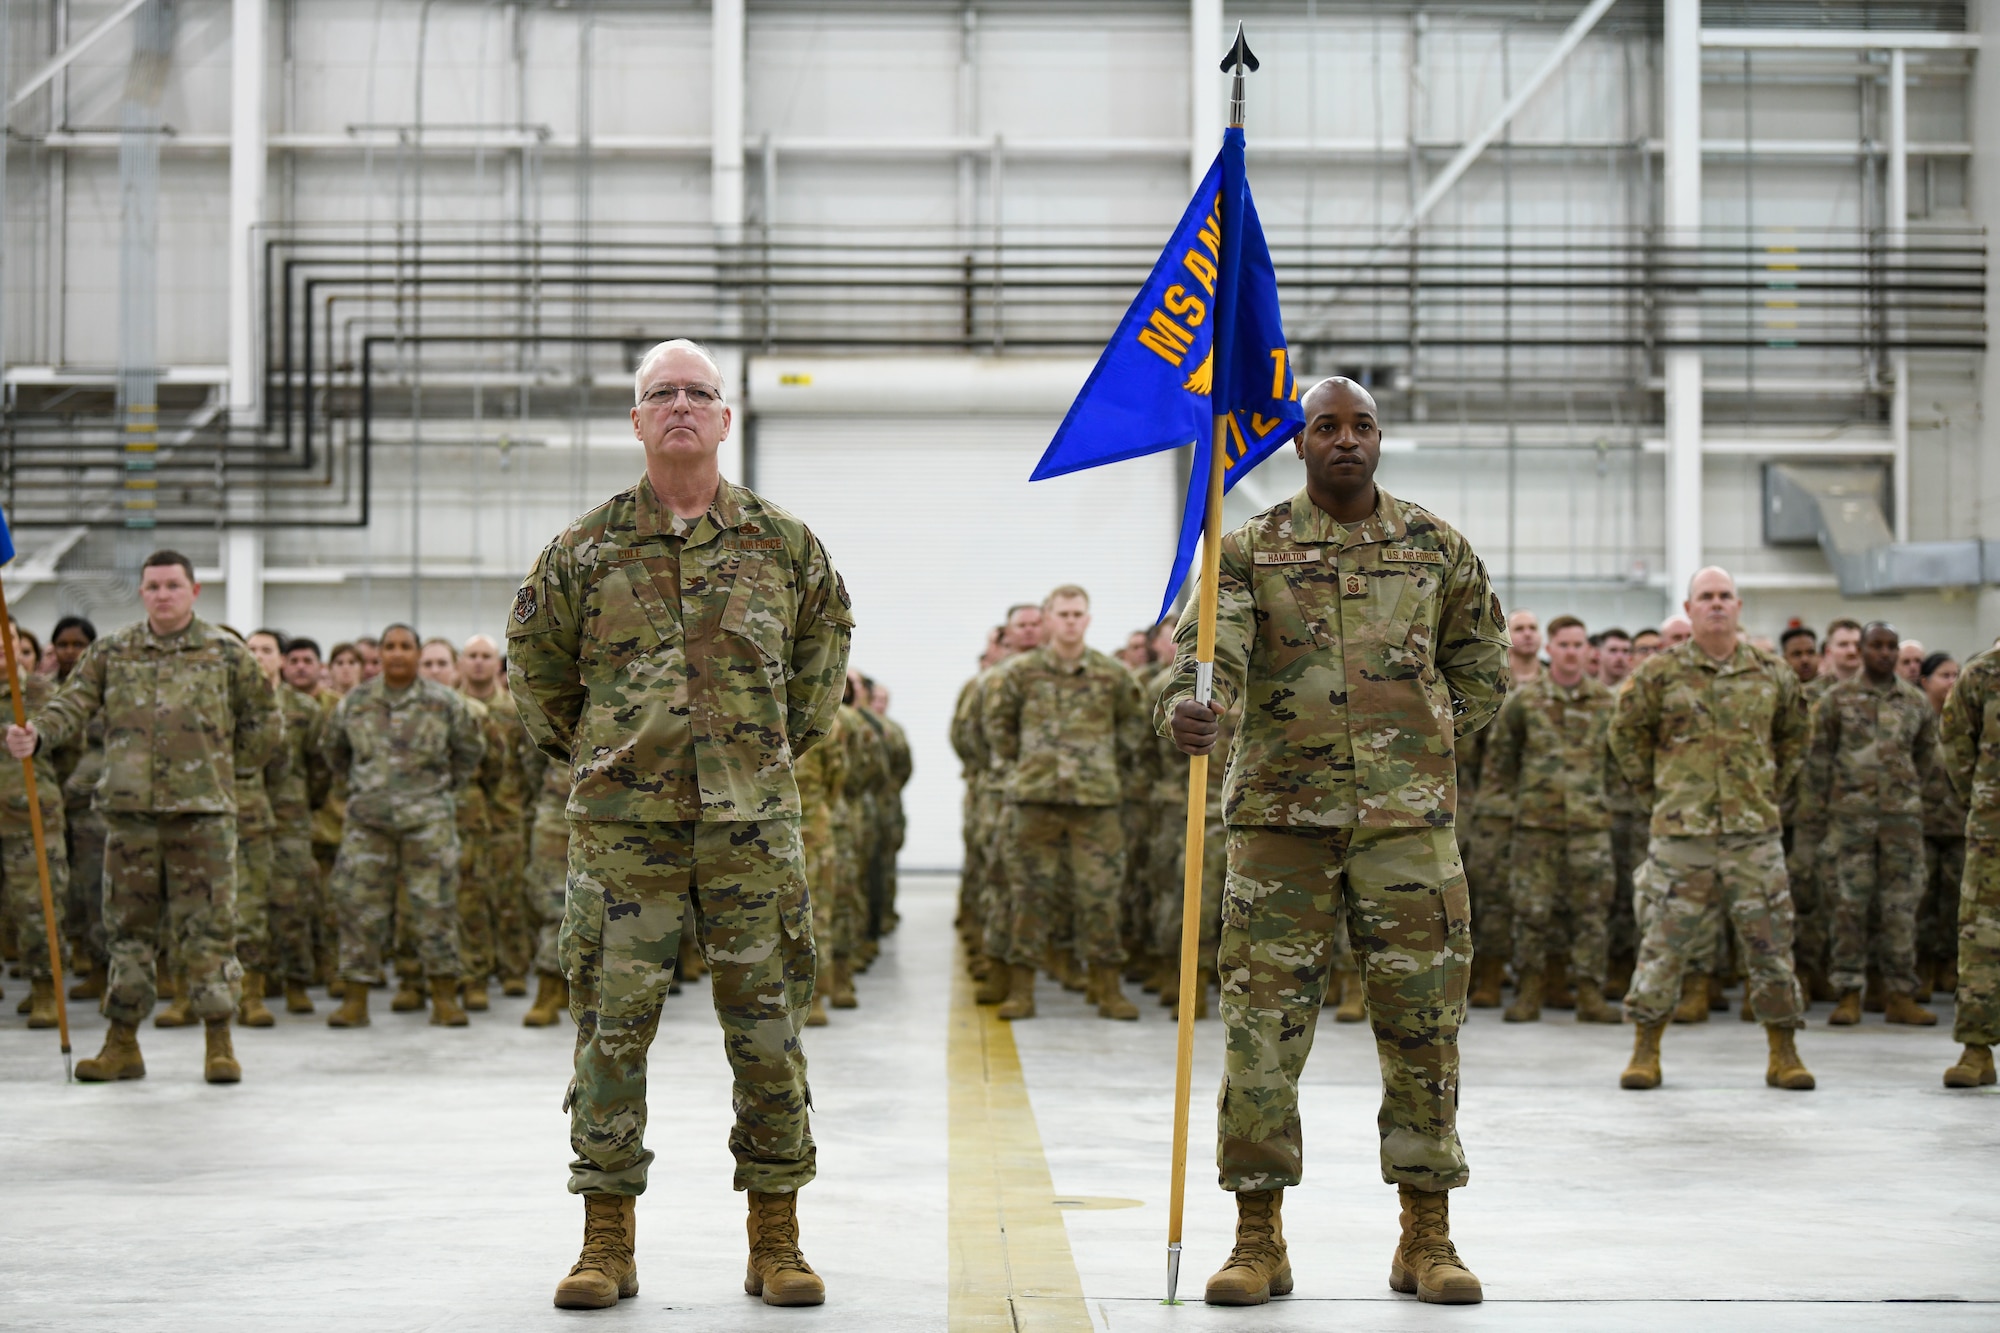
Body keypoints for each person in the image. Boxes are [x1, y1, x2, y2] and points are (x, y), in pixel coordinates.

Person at [508, 337, 852, 1310]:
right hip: (625, 835)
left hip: (751, 832)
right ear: (635, 419)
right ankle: (604, 1241)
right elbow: (535, 668)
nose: (680, 407)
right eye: (661, 393)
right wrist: (600, 756)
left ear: (725, 417)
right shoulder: (583, 550)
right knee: (610, 1036)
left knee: (768, 1034)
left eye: (698, 392)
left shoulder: (783, 544)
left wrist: (773, 749)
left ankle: (775, 1239)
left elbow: (825, 652)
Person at [1163, 377, 1507, 1307]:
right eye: (1326, 427)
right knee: (1263, 1033)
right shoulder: (1246, 550)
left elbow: (1483, 664)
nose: (1344, 440)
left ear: (1380, 440)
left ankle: (1427, 1235)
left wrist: (1421, 737)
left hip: (1408, 832)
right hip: (1281, 827)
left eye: (1360, 426)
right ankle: (1257, 1238)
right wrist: (1197, 709)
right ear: (1300, 444)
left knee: (1423, 1029)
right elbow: (1211, 649)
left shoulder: (1435, 546)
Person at [8, 550, 281, 1084]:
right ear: (141, 592)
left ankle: (219, 1042)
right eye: (153, 586)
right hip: (131, 818)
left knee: (209, 931)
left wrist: (223, 772)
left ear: (194, 591)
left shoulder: (226, 653)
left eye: (173, 585)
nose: (162, 595)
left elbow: (264, 723)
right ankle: (122, 1043)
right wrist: (37, 734)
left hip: (202, 817)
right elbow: (72, 703)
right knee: (127, 932)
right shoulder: (114, 651)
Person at [1607, 566, 1813, 1093]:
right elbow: (1626, 736)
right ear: (1690, 607)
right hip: (1682, 835)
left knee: (1771, 945)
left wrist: (1764, 790)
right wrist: (1663, 796)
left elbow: (1794, 738)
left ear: (1738, 607)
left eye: (1725, 596)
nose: (1717, 604)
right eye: (1707, 597)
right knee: (1662, 945)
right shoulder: (1660, 674)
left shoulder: (1772, 673)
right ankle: (1645, 1049)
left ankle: (1783, 1050)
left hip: (1753, 833)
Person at [984, 584, 1147, 1022]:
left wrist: (1103, 765)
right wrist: (1030, 764)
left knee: (1100, 896)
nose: (1071, 621)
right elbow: (999, 726)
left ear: (1088, 620)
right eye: (1063, 614)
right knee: (1029, 895)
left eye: (1078, 614)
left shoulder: (1112, 675)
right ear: (1049, 619)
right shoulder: (1020, 673)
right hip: (1034, 799)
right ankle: (1022, 989)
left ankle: (1106, 986)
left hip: (1095, 803)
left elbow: (1133, 729)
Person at [321, 624, 485, 1030]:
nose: (397, 654)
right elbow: (333, 751)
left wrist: (437, 789)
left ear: (416, 653)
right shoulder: (354, 703)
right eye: (389, 647)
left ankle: (444, 997)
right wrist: (363, 789)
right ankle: (355, 998)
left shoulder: (444, 702)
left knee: (436, 907)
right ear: (379, 654)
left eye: (405, 647)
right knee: (360, 907)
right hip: (367, 825)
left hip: (427, 821)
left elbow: (469, 750)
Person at [1800, 622, 1938, 1027]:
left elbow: (1928, 761)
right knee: (1848, 907)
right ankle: (1848, 993)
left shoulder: (1914, 702)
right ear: (1860, 650)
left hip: (1901, 824)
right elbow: (1818, 764)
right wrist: (1816, 824)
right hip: (1850, 824)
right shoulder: (1836, 700)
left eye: (1891, 647)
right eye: (1876, 646)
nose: (1884, 653)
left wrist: (1908, 797)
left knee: (1901, 908)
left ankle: (1898, 993)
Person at [1485, 616, 1620, 1024]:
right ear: (1552, 649)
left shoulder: (1605, 703)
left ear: (1588, 651)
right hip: (1535, 826)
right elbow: (1502, 759)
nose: (1572, 651)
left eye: (1579, 644)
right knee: (1531, 911)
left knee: (1592, 913)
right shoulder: (1525, 701)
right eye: (1564, 644)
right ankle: (1529, 990)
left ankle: (1591, 993)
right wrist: (1518, 806)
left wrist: (1599, 800)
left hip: (1589, 827)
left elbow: (1619, 762)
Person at [0, 624, 68, 1028]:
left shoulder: (42, 694)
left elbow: (71, 749)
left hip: (28, 822)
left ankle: (45, 988)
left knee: (38, 908)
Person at [459, 633, 533, 1003]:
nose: (477, 663)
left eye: (485, 656)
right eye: (471, 655)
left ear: (495, 663)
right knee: (468, 899)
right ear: (461, 662)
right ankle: (473, 975)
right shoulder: (451, 709)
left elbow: (529, 767)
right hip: (464, 821)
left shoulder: (514, 710)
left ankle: (513, 970)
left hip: (506, 817)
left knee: (509, 899)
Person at [1939, 644, 2000, 1087]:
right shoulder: (1982, 674)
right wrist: (1982, 802)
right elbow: (1957, 746)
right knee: (1981, 939)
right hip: (1993, 833)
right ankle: (1976, 1049)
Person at [46, 616, 107, 1002]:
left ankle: (100, 967)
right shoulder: (41, 695)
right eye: (63, 644)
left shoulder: (102, 694)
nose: (71, 651)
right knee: (56, 890)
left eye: (78, 644)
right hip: (47, 805)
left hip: (89, 808)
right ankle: (64, 961)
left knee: (92, 889)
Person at [272, 636, 330, 1012]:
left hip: (291, 817)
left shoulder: (306, 710)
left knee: (293, 902)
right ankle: (253, 983)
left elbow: (321, 767)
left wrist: (303, 801)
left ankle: (295, 980)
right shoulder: (236, 704)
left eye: (265, 649)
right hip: (241, 816)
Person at [1918, 653, 1964, 998]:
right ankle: (1922, 969)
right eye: (1944, 675)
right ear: (1926, 681)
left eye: (1956, 675)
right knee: (1921, 902)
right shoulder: (1918, 717)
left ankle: (1950, 966)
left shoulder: (1966, 717)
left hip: (1960, 826)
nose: (1952, 681)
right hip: (1921, 825)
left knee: (1955, 904)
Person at [1817, 619, 1862, 692]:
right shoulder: (1810, 693)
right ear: (1828, 651)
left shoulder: (1881, 690)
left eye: (1857, 644)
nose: (1852, 651)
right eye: (1843, 644)